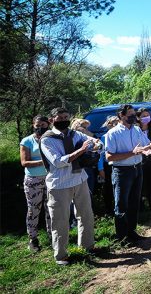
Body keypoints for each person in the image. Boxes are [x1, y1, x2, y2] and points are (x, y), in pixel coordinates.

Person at [40, 107, 100, 265]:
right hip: (59, 185)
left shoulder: (74, 134)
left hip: (80, 179)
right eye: (60, 118)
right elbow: (58, 162)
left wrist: (96, 144)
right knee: (60, 221)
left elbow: (93, 141)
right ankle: (61, 255)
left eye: (66, 117)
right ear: (52, 120)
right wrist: (81, 150)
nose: (63, 120)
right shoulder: (47, 139)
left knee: (86, 215)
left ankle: (87, 246)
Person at [105, 104, 151, 244]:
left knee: (134, 202)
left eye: (134, 114)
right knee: (121, 204)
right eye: (129, 114)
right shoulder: (113, 133)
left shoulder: (136, 129)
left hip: (137, 168)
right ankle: (122, 237)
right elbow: (109, 157)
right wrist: (132, 153)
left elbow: (145, 145)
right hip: (122, 171)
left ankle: (131, 232)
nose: (133, 117)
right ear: (122, 116)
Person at [20, 115, 52, 252]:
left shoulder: (51, 138)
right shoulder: (27, 141)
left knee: (51, 209)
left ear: (48, 124)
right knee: (34, 210)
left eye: (43, 125)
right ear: (33, 125)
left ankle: (53, 237)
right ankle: (33, 239)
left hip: (51, 178)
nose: (40, 128)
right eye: (37, 125)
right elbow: (24, 162)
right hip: (33, 180)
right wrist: (45, 161)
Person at [72, 118, 98, 197]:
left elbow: (97, 142)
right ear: (77, 127)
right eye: (84, 127)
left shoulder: (88, 137)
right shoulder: (72, 138)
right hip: (76, 168)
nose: (87, 130)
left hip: (88, 166)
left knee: (89, 192)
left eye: (87, 128)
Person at [99, 116, 119, 214]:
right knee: (108, 188)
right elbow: (100, 155)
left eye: (118, 122)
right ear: (109, 125)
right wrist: (100, 169)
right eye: (114, 123)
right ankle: (109, 210)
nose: (116, 125)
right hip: (108, 166)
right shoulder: (104, 137)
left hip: (120, 164)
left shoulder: (122, 135)